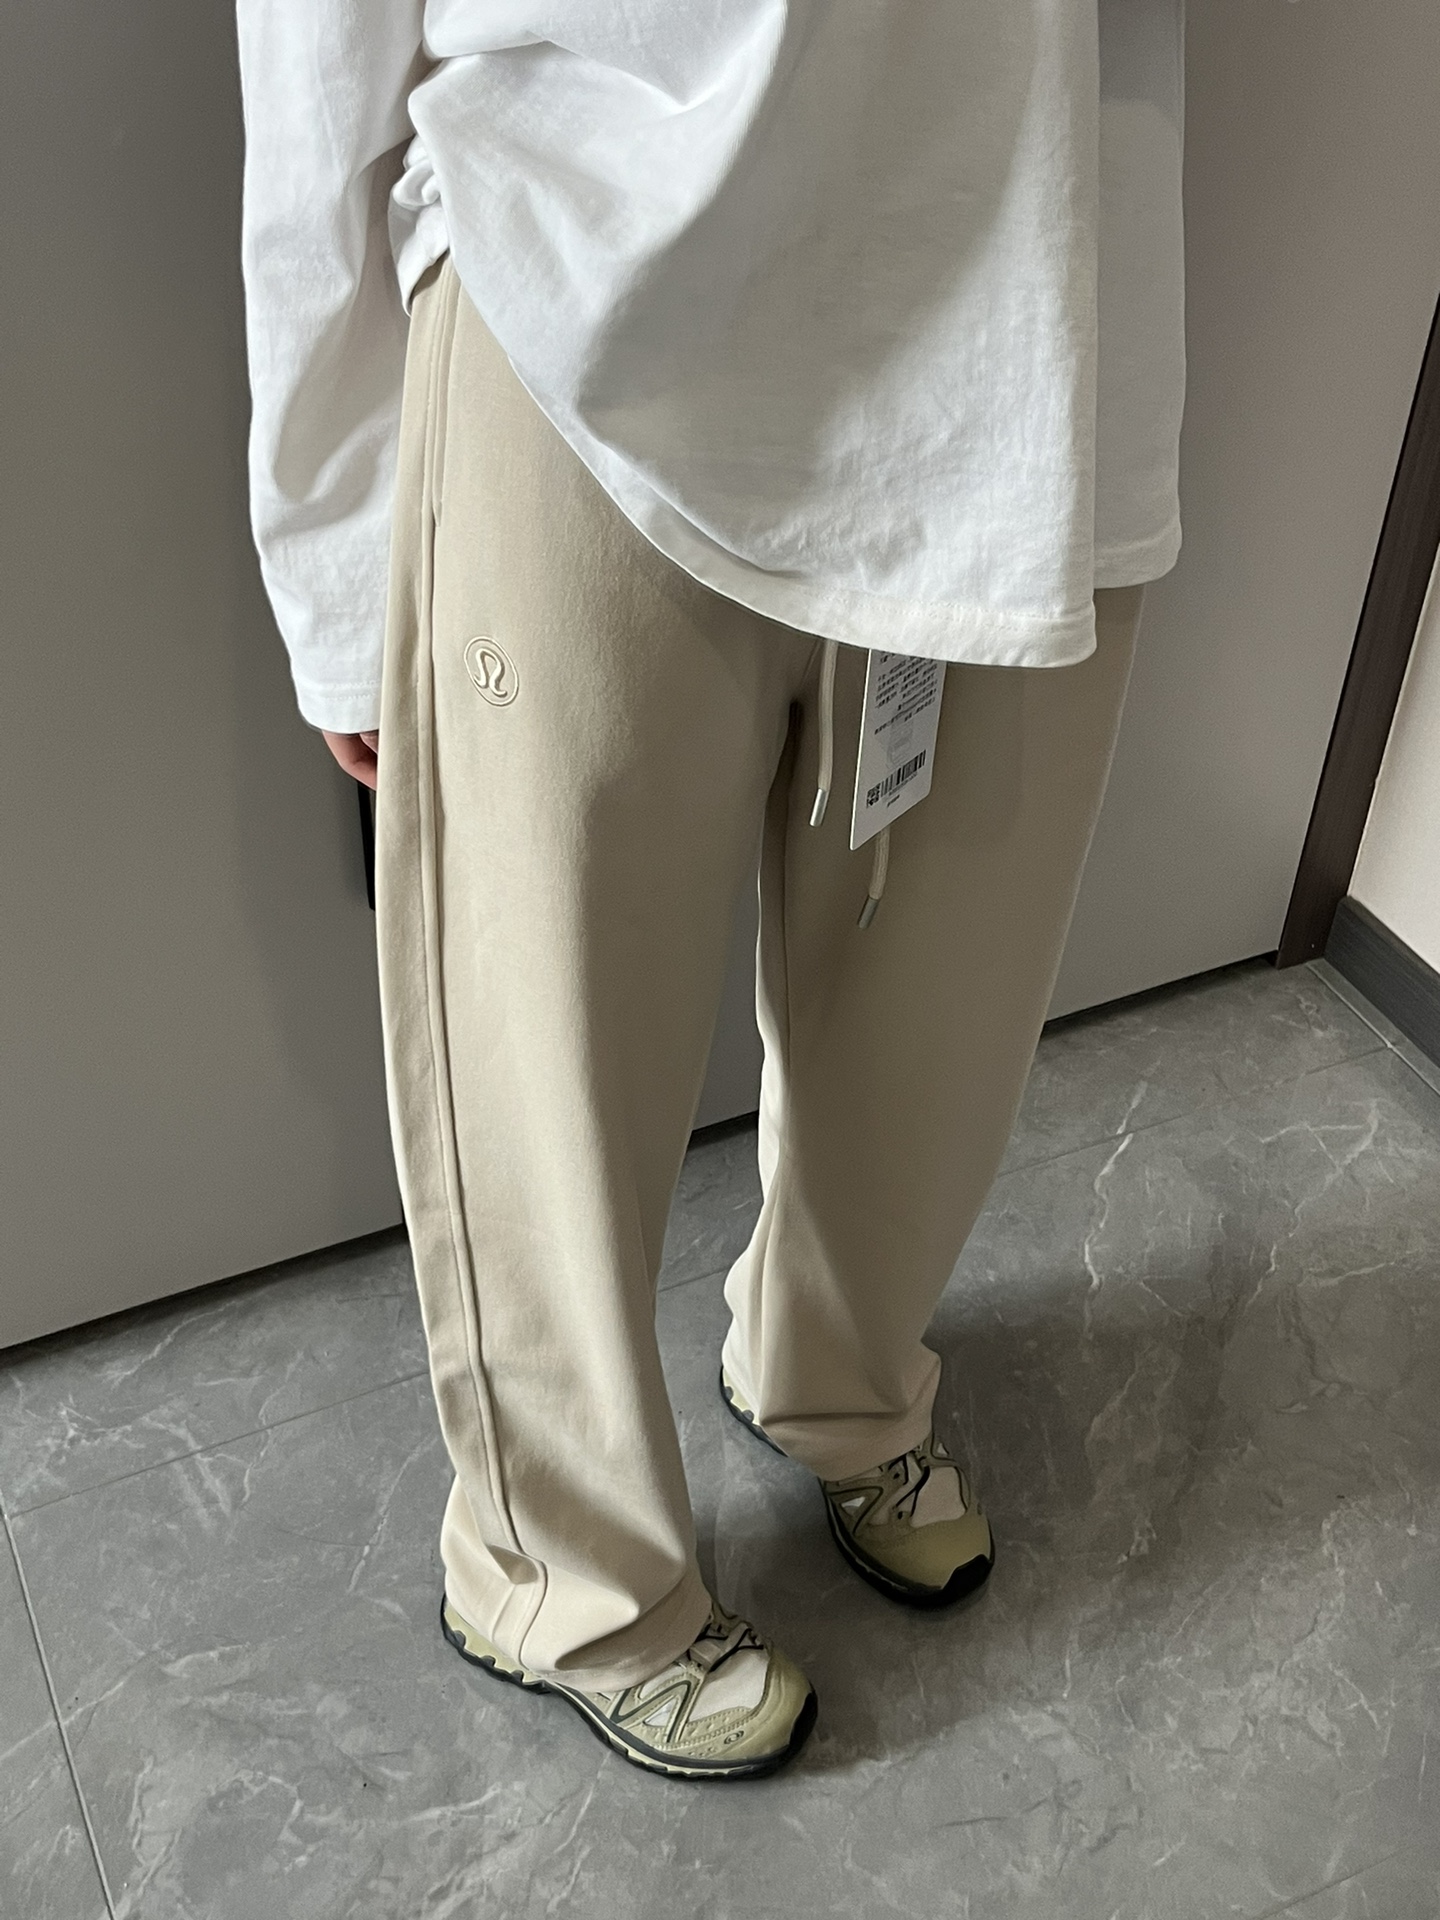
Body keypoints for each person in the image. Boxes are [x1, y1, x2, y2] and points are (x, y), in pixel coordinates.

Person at [236, 0, 1186, 1781]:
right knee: (551, 1041)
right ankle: (558, 1570)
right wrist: (335, 544)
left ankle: (836, 1372)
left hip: (1033, 293)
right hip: (583, 273)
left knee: (944, 1000)